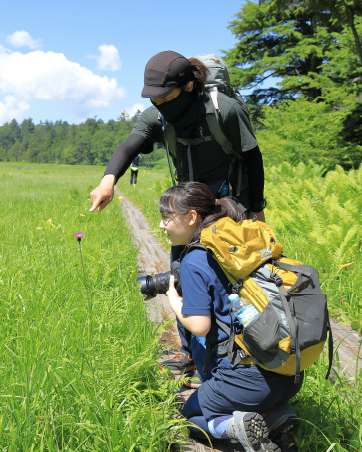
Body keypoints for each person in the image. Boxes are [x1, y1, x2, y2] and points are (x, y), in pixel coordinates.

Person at [89, 51, 267, 380]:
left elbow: (252, 158)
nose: (158, 104)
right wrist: (108, 180)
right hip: (187, 210)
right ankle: (189, 351)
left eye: (165, 96)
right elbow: (130, 144)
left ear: (188, 87)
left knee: (235, 278)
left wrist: (256, 209)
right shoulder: (159, 116)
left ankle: (246, 352)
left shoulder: (223, 109)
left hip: (229, 207)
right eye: (153, 98)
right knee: (182, 273)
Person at [159, 182, 301, 452]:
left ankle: (234, 428)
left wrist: (174, 299)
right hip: (290, 371)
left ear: (191, 218)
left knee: (188, 417)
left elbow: (199, 325)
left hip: (248, 382)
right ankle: (275, 413)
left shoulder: (195, 258)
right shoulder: (237, 245)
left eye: (166, 216)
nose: (161, 225)